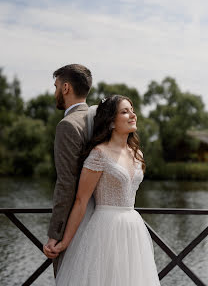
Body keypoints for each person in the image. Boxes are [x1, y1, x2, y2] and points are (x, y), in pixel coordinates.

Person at [52, 94, 161, 286]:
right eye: (125, 112)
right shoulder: (99, 154)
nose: (132, 115)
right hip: (105, 230)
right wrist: (64, 242)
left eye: (132, 110)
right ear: (111, 121)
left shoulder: (137, 153)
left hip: (133, 229)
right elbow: (81, 201)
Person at [43, 64, 96, 276]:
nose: (55, 92)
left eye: (56, 86)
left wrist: (55, 235)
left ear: (66, 88)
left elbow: (66, 184)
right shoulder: (99, 120)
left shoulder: (68, 125)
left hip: (75, 227)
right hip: (102, 219)